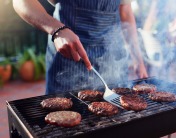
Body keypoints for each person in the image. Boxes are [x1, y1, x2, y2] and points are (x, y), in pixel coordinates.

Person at [13, 0, 148, 94]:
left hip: (112, 60)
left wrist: (138, 59)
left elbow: (125, 12)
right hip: (68, 60)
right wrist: (56, 29)